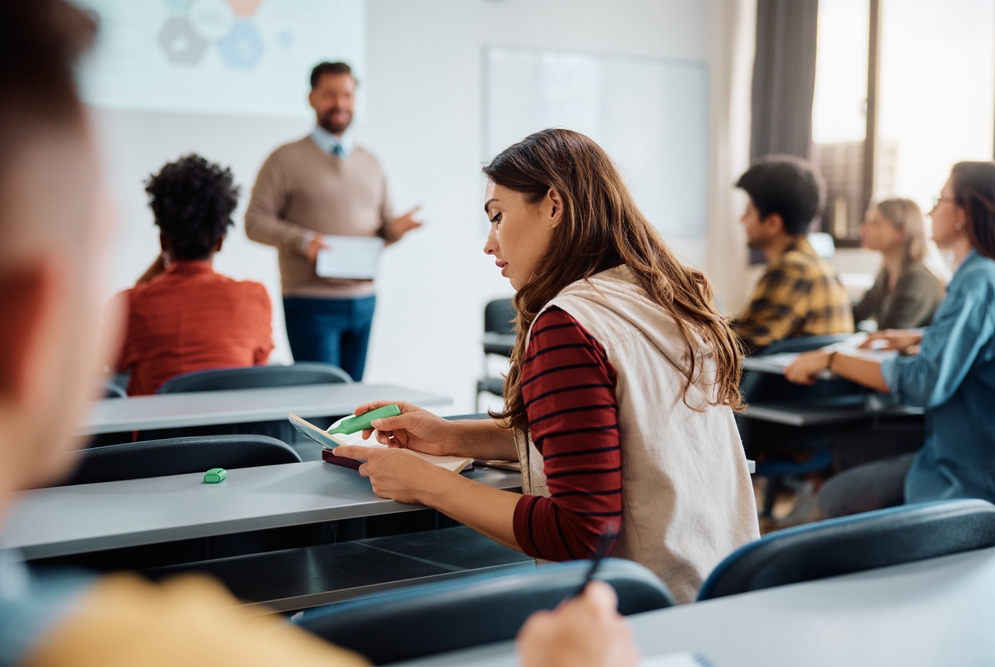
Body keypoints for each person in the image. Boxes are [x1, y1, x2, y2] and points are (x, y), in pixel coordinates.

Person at [0, 3, 637, 666]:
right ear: (34, 326)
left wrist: (442, 435)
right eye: (330, 92)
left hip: (361, 294)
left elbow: (578, 444)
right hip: (310, 294)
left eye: (497, 218)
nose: (487, 242)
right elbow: (262, 224)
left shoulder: (367, 163)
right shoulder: (280, 180)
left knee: (346, 399)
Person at [333, 129, 760, 604]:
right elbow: (617, 440)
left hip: (644, 618)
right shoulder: (665, 296)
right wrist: (451, 436)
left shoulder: (567, 325)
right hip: (723, 590)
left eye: (498, 217)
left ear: (554, 206)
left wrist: (426, 483)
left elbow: (580, 534)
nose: (489, 244)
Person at [785, 162, 995, 518]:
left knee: (832, 500)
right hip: (953, 443)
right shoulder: (984, 274)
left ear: (963, 212)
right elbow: (981, 342)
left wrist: (832, 360)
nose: (930, 211)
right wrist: (914, 337)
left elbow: (924, 381)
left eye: (939, 200)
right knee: (848, 450)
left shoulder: (976, 282)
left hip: (969, 470)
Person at [245, 61, 422, 381]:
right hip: (311, 302)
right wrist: (302, 241)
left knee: (352, 405)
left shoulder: (371, 161)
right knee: (321, 403)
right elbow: (254, 222)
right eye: (329, 95)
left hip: (364, 300)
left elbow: (382, 229)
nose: (339, 104)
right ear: (312, 98)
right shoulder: (284, 159)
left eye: (347, 95)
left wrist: (396, 229)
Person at [114, 155, 273, 395]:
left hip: (160, 434)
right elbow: (257, 368)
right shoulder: (254, 297)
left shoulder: (130, 304)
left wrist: (150, 273)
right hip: (238, 434)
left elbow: (116, 366)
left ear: (163, 241)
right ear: (219, 242)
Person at [731, 156, 853, 352]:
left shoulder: (791, 270)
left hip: (775, 382)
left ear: (773, 224)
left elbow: (737, 345)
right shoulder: (819, 265)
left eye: (748, 212)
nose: (742, 220)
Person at [852, 198, 943, 330]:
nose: (862, 229)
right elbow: (859, 312)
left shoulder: (917, 278)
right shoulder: (887, 273)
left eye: (874, 223)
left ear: (900, 232)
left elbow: (890, 334)